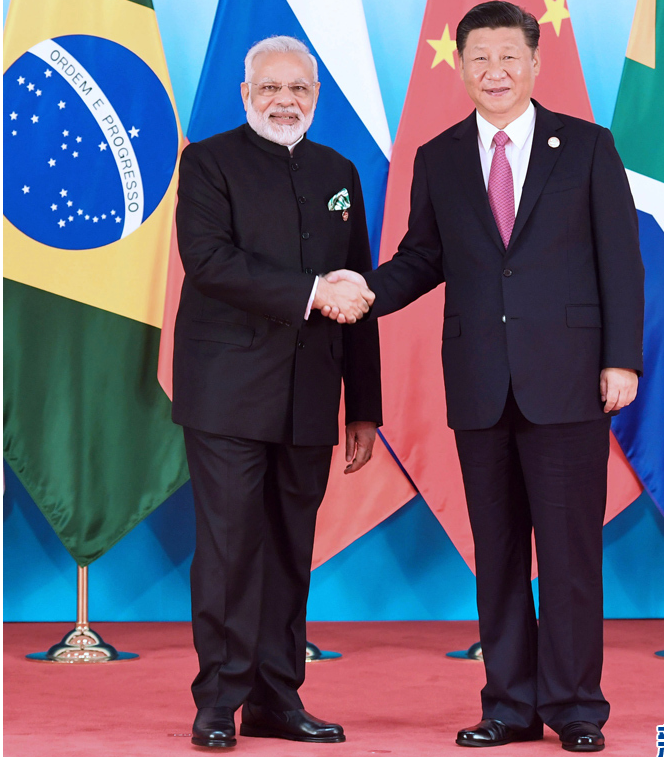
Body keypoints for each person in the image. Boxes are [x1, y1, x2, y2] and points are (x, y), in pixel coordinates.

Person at [319, 2, 644, 752]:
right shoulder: (438, 156)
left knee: (569, 555)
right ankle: (508, 705)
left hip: (570, 381)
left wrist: (621, 358)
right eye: (480, 58)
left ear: (534, 63)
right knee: (496, 554)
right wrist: (361, 291)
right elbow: (421, 257)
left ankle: (576, 708)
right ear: (461, 65)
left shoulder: (588, 146)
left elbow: (621, 261)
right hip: (479, 384)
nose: (494, 71)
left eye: (508, 57)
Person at [173, 35, 381, 749]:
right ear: (246, 94)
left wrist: (365, 406)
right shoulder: (207, 162)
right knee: (231, 551)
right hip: (226, 394)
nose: (284, 101)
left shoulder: (339, 170)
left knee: (292, 550)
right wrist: (313, 292)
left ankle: (275, 699)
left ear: (315, 97)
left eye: (298, 89)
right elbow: (208, 262)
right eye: (270, 87)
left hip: (310, 394)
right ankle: (218, 702)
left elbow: (358, 288)